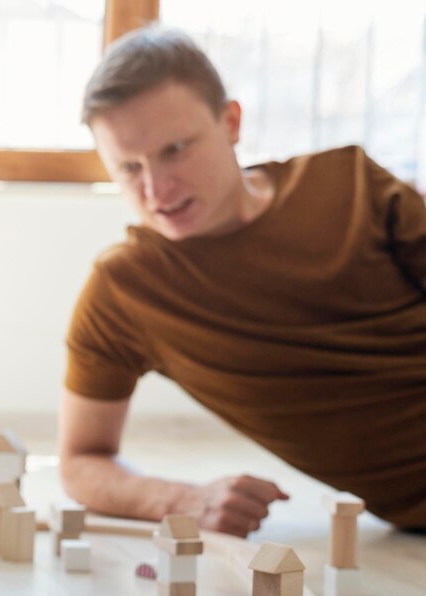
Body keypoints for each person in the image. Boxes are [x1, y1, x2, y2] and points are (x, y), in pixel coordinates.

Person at [59, 26, 426, 537]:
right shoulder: (124, 290)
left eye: (175, 150)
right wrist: (186, 499)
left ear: (230, 122)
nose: (156, 189)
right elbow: (81, 461)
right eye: (128, 168)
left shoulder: (350, 185)